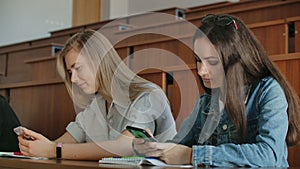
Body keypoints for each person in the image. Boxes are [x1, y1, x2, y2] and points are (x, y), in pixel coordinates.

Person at [132, 14, 300, 167]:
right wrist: (154, 148)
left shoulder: (268, 91)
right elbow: (177, 147)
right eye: (198, 60)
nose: (201, 71)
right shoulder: (205, 103)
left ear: (236, 61)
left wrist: (193, 155)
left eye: (212, 62)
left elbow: (269, 155)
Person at [17, 29, 177, 160]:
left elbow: (125, 146)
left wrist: (54, 150)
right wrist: (39, 146)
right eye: (69, 72)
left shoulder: (148, 96)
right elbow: (60, 144)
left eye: (78, 68)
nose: (73, 79)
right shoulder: (95, 105)